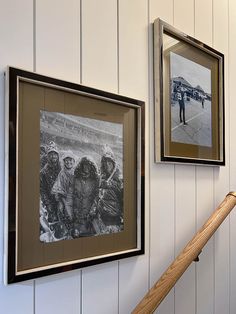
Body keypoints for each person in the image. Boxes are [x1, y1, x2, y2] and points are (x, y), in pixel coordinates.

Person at [97, 146, 123, 234]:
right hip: (102, 217)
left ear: (113, 163)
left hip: (113, 220)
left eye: (109, 162)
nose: (107, 165)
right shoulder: (101, 178)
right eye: (105, 162)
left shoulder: (119, 179)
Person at [73, 156, 99, 237]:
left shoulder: (95, 180)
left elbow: (97, 196)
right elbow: (71, 195)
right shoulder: (76, 179)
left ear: (92, 166)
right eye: (85, 165)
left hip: (89, 215)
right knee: (76, 236)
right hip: (77, 214)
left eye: (88, 165)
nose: (86, 167)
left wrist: (92, 211)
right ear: (81, 166)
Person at [52, 151, 76, 236]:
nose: (68, 162)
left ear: (73, 161)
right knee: (64, 213)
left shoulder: (77, 172)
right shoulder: (61, 174)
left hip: (75, 199)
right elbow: (58, 188)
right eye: (66, 160)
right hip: (64, 198)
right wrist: (61, 201)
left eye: (70, 160)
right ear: (64, 161)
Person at [40, 142, 61, 223]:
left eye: (55, 154)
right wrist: (48, 204)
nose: (53, 156)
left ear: (58, 155)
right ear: (47, 156)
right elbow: (42, 190)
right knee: (55, 223)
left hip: (63, 201)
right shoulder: (43, 172)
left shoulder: (63, 168)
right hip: (51, 202)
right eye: (51, 154)